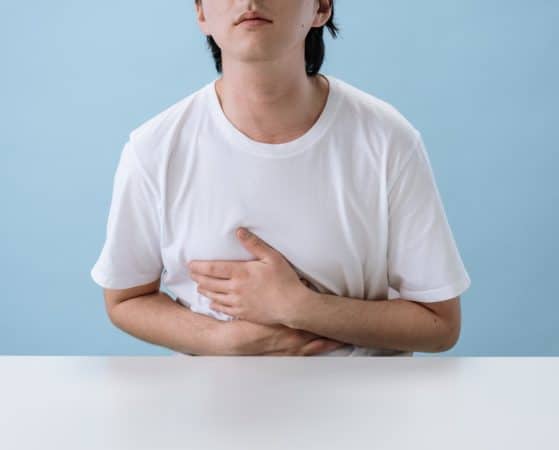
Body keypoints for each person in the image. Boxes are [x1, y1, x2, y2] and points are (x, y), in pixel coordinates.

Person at [91, 0, 471, 357]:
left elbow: (439, 323)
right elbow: (125, 299)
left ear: (321, 7)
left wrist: (300, 306)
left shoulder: (387, 139)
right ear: (201, 13)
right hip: (212, 413)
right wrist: (223, 340)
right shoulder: (155, 149)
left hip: (361, 414)